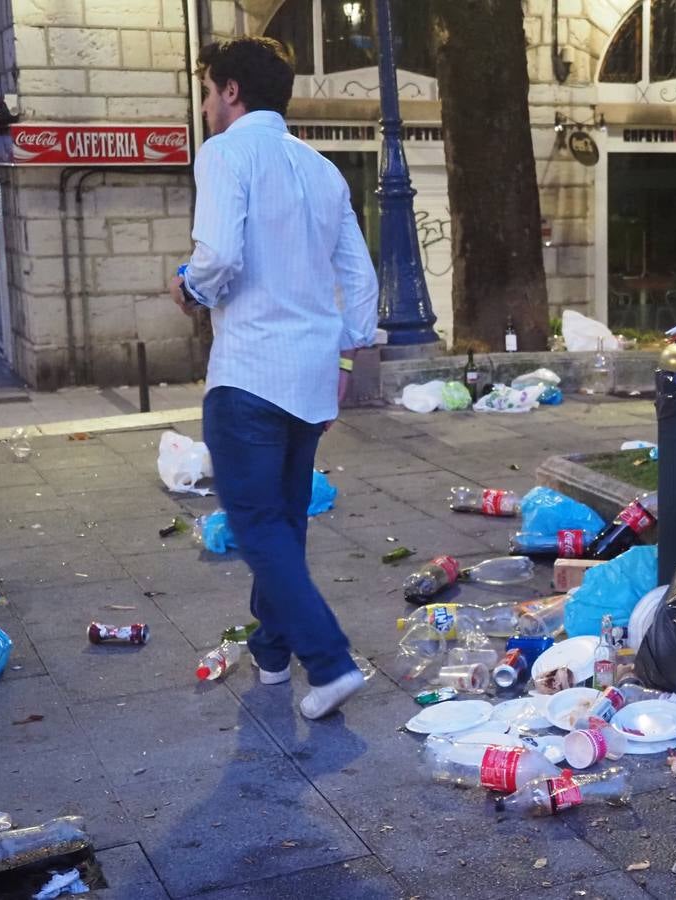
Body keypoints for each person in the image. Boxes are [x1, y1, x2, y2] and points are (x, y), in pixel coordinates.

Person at [169, 36, 377, 719]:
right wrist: (345, 356)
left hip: (248, 373)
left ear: (231, 91)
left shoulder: (225, 153)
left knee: (258, 524)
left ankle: (331, 661)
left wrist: (190, 288)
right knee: (283, 522)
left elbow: (219, 254)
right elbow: (360, 279)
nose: (206, 106)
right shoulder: (322, 169)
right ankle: (272, 651)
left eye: (208, 91)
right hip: (311, 377)